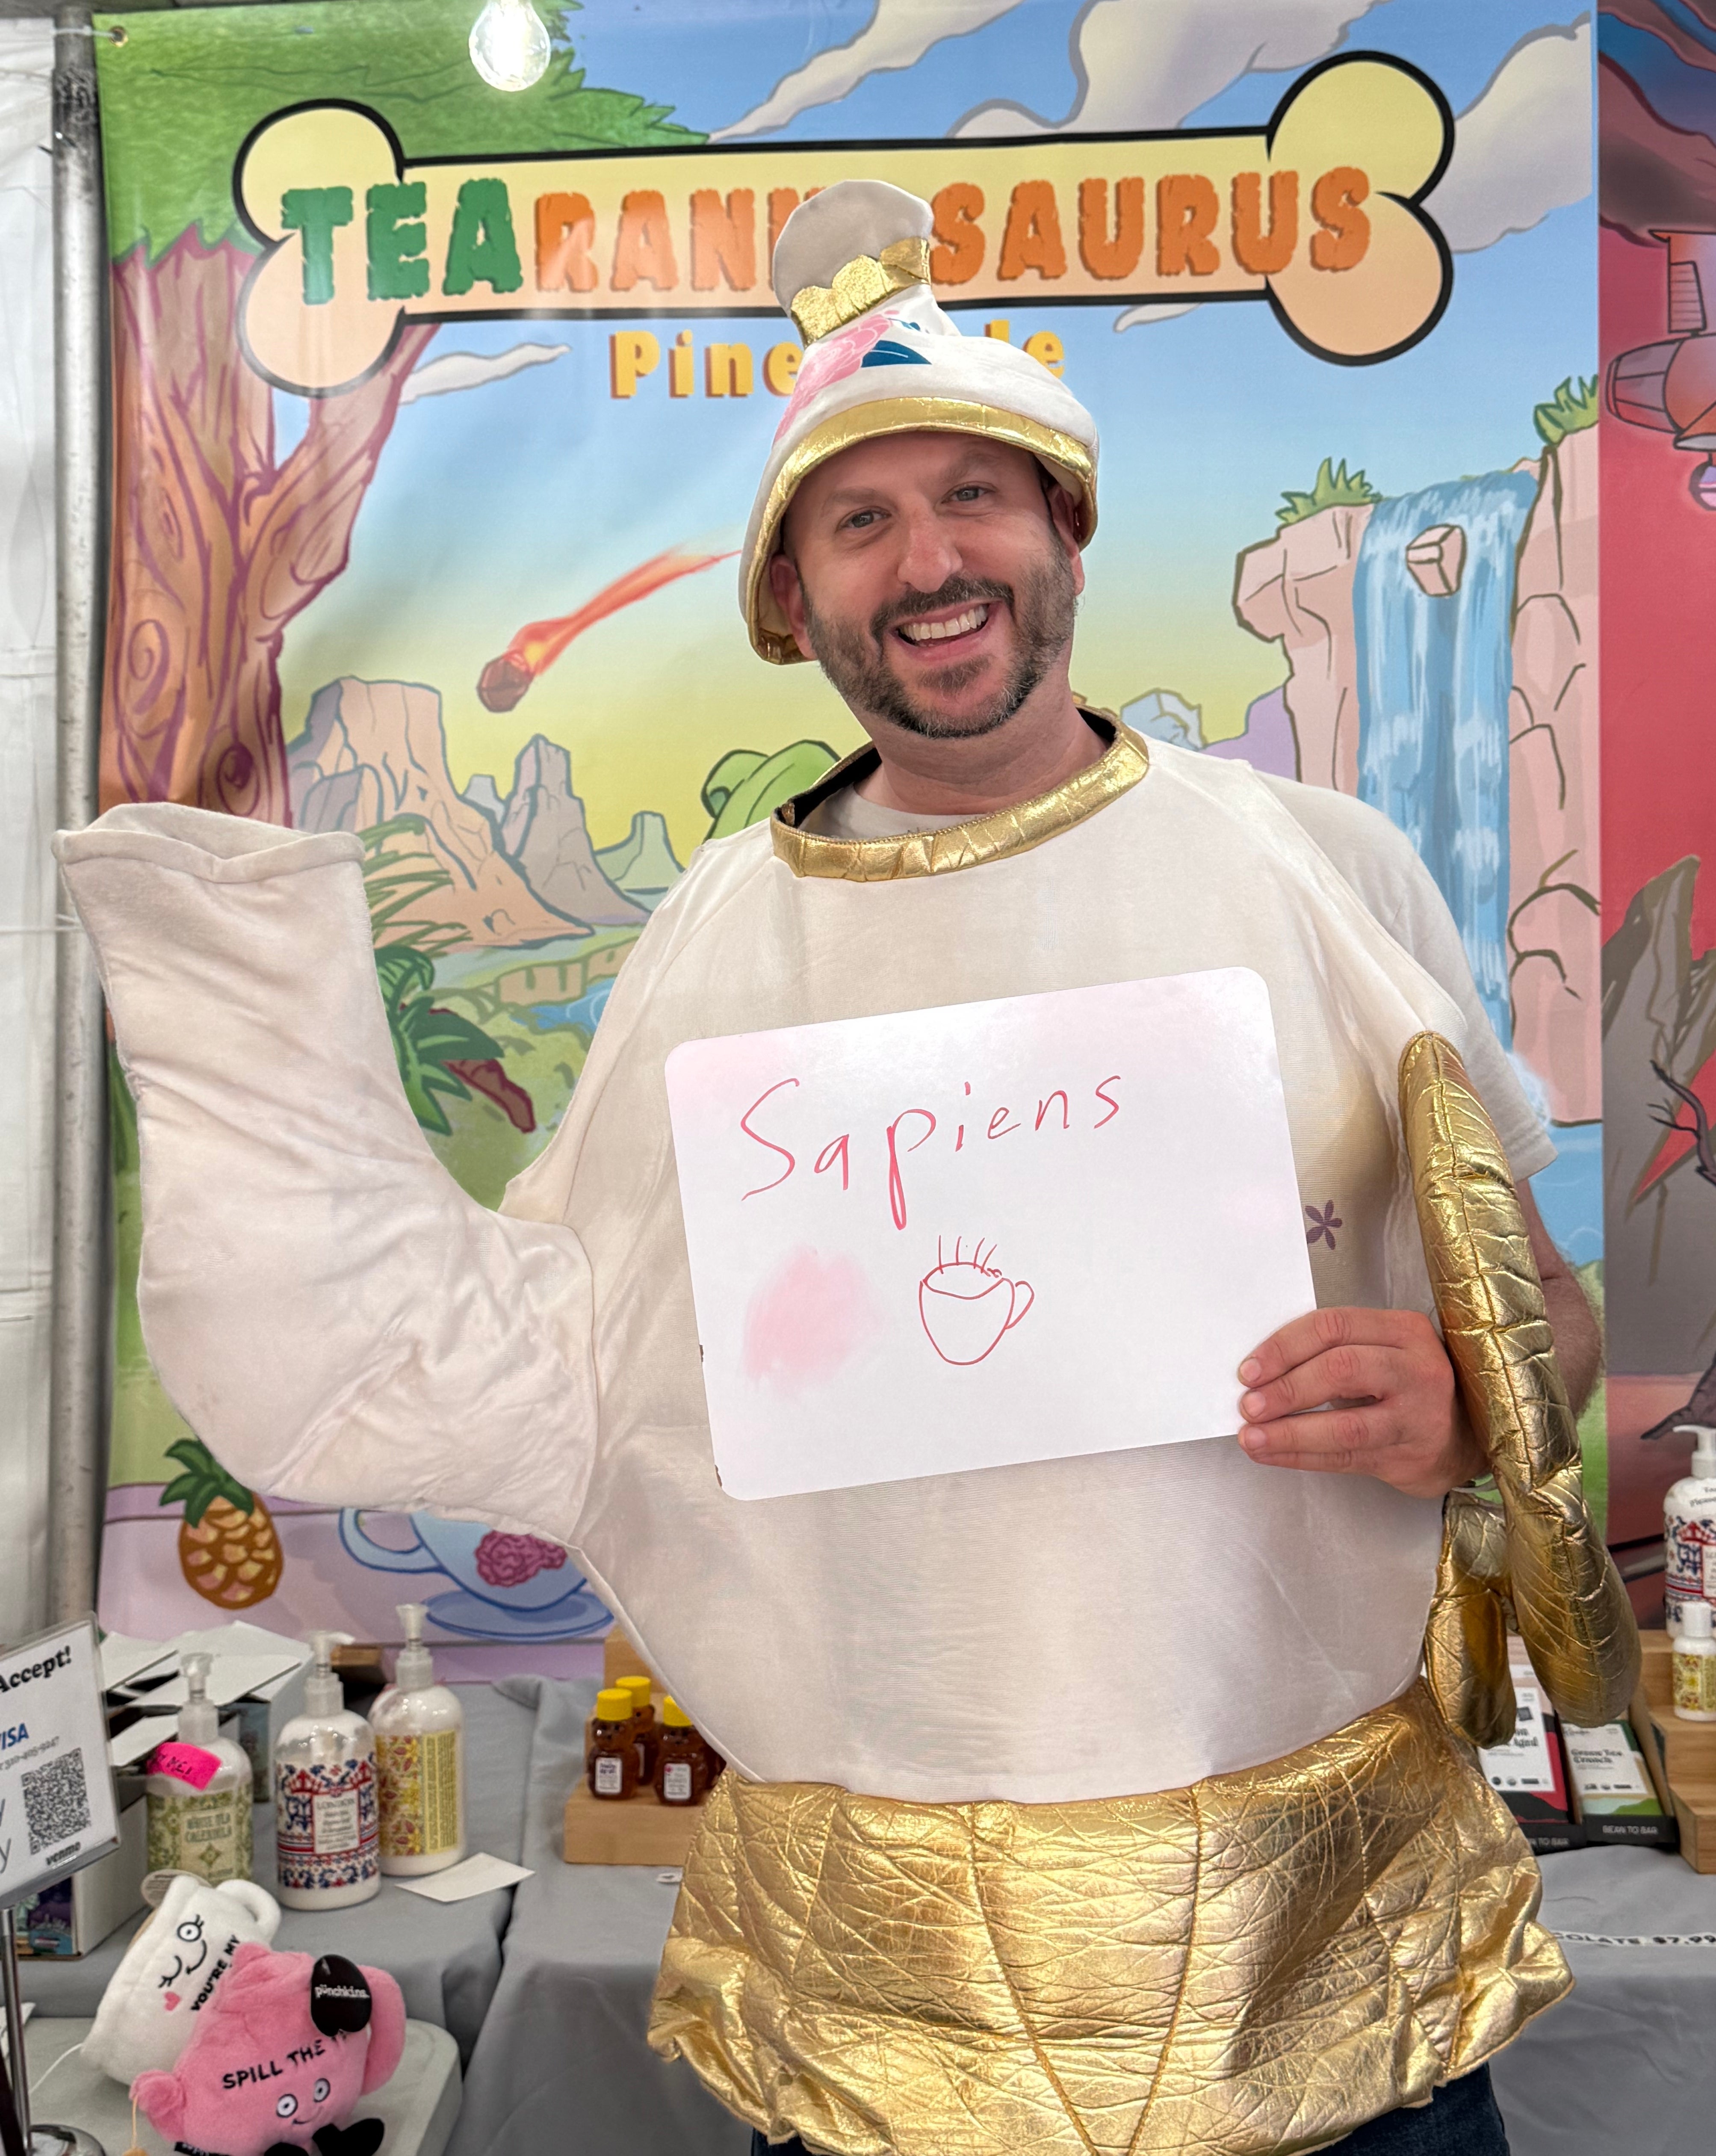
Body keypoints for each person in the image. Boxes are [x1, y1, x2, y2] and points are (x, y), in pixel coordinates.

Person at [59, 182, 1635, 2156]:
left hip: (1318, 1962)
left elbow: (1544, 1313)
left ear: (1062, 525)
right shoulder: (720, 937)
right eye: (858, 520)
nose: (927, 560)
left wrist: (1469, 1395)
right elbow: (537, 1369)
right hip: (892, 2003)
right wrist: (234, 979)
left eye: (971, 495)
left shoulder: (1318, 867)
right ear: (791, 596)